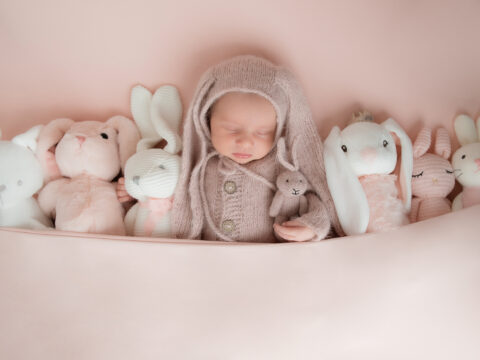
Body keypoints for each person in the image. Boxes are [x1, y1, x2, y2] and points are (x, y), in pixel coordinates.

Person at [171, 55, 343, 242]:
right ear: (207, 121)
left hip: (268, 262)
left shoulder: (282, 167)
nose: (245, 142)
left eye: (262, 132)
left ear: (277, 131)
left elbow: (309, 198)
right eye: (231, 129)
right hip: (214, 261)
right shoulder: (201, 168)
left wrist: (312, 226)